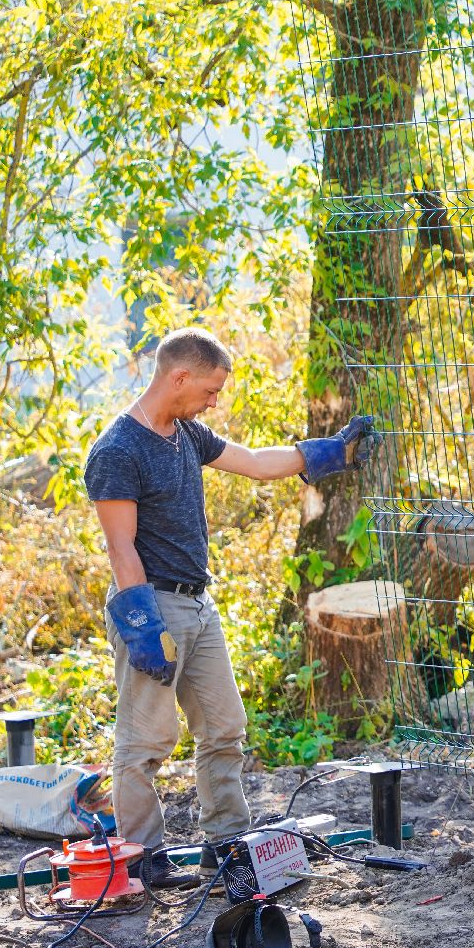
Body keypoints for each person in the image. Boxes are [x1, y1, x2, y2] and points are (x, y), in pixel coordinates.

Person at [83, 327, 374, 887]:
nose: (215, 401)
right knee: (146, 740)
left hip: (198, 602)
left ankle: (226, 844)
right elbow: (122, 549)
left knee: (224, 726)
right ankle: (144, 858)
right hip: (152, 603)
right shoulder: (118, 450)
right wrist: (144, 628)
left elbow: (256, 462)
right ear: (180, 377)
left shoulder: (185, 433)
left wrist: (328, 452)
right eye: (211, 390)